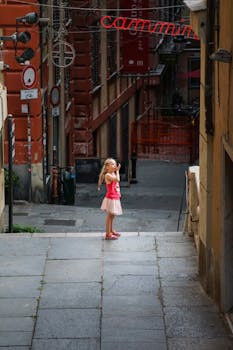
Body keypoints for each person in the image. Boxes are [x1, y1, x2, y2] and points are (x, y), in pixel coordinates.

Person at [98, 158, 123, 240]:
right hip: (110, 198)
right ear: (107, 167)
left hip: (115, 197)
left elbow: (116, 184)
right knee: (109, 215)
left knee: (113, 215)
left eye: (114, 164)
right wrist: (118, 171)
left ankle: (111, 230)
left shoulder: (113, 174)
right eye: (112, 164)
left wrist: (118, 193)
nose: (114, 165)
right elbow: (117, 180)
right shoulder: (108, 175)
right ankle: (108, 233)